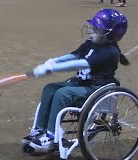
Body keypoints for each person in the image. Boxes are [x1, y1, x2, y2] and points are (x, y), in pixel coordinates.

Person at [21, 9, 130, 151]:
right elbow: (75, 55)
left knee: (62, 94)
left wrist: (52, 69)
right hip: (82, 83)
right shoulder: (91, 43)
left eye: (98, 28)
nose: (93, 30)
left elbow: (82, 64)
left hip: (96, 87)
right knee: (49, 88)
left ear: (111, 34)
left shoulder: (110, 52)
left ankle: (51, 136)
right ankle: (39, 129)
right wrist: (52, 61)